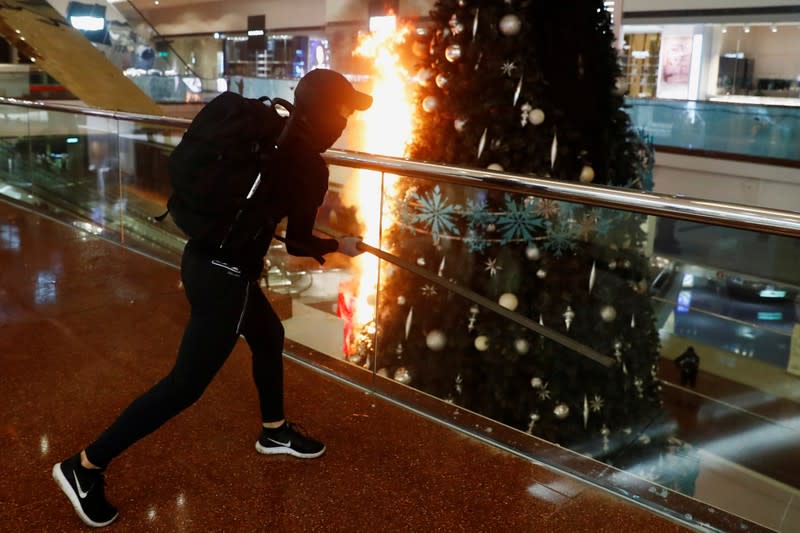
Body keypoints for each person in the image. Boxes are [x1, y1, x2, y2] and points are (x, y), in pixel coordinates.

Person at [52, 69, 372, 528]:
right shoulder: (308, 165)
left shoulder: (265, 129)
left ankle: (275, 430)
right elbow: (300, 242)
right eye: (342, 110)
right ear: (326, 114)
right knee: (184, 386)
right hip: (228, 279)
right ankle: (85, 466)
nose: (345, 120)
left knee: (269, 334)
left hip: (201, 258)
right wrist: (339, 246)